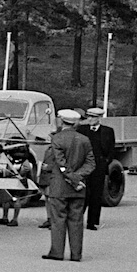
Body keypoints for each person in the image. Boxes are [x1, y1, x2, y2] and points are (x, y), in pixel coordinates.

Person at [40, 108, 95, 262]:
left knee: (58, 220)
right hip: (78, 187)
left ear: (61, 121)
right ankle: (76, 254)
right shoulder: (84, 139)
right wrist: (78, 178)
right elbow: (90, 163)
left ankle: (57, 252)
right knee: (76, 221)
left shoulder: (57, 138)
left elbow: (60, 163)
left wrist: (71, 178)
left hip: (60, 186)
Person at [77, 106, 115, 231]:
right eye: (89, 116)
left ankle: (92, 222)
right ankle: (77, 220)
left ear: (99, 118)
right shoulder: (81, 130)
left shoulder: (108, 131)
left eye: (93, 117)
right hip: (84, 165)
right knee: (82, 194)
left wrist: (105, 162)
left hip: (98, 167)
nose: (90, 119)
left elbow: (110, 149)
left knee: (96, 195)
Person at [0, 144, 36, 228]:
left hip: (13, 180)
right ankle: (10, 218)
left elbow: (24, 169)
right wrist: (20, 174)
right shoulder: (23, 160)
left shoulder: (12, 159)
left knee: (10, 199)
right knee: (12, 199)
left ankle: (11, 218)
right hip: (18, 180)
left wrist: (13, 174)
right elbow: (27, 169)